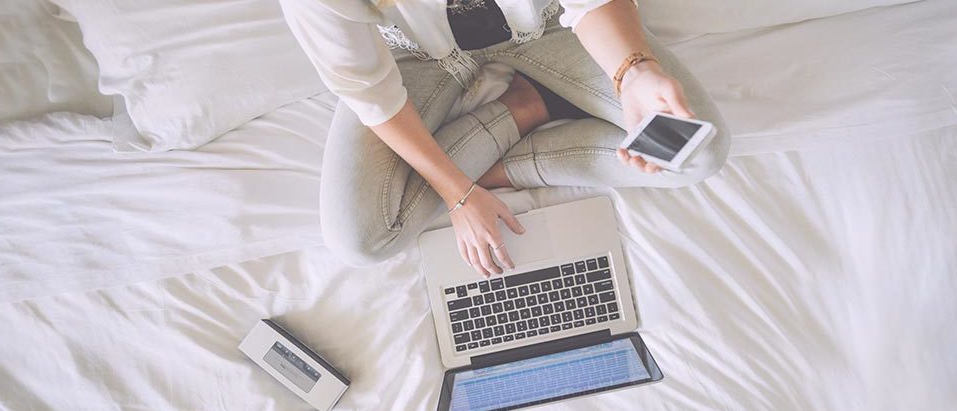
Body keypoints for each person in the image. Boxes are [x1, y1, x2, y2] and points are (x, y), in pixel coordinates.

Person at [279, 0, 731, 277]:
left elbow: (592, 1)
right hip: (411, 54)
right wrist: (458, 195)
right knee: (360, 240)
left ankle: (507, 157)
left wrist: (633, 71)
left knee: (694, 150)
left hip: (547, 23)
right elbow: (371, 93)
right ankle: (524, 108)